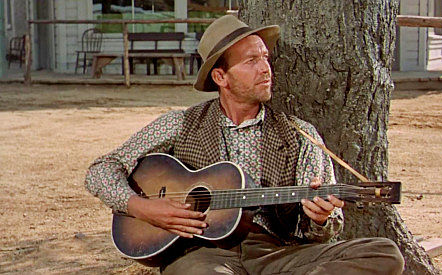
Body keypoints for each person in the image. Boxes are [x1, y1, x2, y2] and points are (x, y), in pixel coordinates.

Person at [85, 15, 404, 274]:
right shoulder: (180, 123)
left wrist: (319, 218)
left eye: (265, 58)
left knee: (384, 253)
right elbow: (100, 170)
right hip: (203, 256)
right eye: (251, 60)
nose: (265, 68)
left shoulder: (300, 134)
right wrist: (145, 208)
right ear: (221, 77)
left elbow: (323, 230)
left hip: (278, 254)